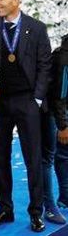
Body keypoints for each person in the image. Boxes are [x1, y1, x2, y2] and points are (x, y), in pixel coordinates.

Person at [0, 0, 51, 233]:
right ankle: (4, 209)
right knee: (0, 158)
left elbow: (45, 65)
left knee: (33, 159)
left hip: (27, 100)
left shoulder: (36, 28)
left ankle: (36, 212)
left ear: (15, 1)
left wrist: (38, 100)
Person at [48, 34, 68, 213]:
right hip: (64, 116)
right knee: (63, 155)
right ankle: (65, 197)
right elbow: (59, 94)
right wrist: (63, 125)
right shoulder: (63, 58)